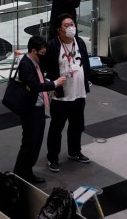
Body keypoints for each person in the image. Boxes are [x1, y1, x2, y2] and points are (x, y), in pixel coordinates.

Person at [12, 36, 66, 185]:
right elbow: (34, 85)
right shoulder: (25, 64)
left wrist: (47, 85)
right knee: (29, 143)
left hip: (39, 107)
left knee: (36, 143)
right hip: (30, 110)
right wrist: (54, 84)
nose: (44, 56)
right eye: (41, 53)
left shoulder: (36, 63)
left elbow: (38, 83)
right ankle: (20, 174)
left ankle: (26, 172)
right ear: (33, 50)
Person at [42, 14, 91, 173]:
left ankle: (75, 151)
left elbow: (86, 64)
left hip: (79, 93)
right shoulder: (53, 45)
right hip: (61, 96)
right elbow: (47, 68)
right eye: (67, 25)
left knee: (77, 125)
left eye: (72, 24)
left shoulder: (80, 42)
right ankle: (53, 158)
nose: (71, 27)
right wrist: (53, 85)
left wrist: (87, 82)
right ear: (59, 29)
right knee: (57, 128)